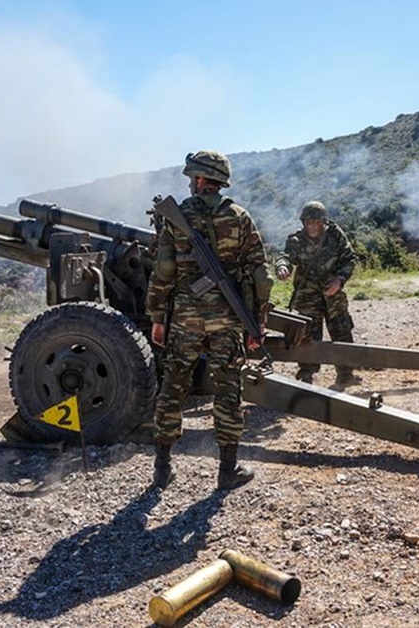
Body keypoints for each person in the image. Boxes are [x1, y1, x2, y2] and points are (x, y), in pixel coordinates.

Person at [146, 150, 273, 491]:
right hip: (227, 318)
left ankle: (162, 469)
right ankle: (227, 470)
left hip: (186, 317)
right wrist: (257, 320)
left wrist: (158, 316)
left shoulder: (177, 217)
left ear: (200, 179)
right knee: (228, 388)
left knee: (173, 385)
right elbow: (261, 274)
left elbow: (164, 270)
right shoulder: (239, 217)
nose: (190, 183)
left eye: (192, 178)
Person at [275, 201, 360, 387]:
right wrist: (282, 266)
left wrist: (339, 279)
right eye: (308, 222)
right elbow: (285, 256)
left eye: (316, 222)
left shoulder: (335, 235)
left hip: (333, 295)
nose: (312, 226)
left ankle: (345, 374)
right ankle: (307, 376)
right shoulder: (296, 240)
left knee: (342, 332)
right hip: (308, 297)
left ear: (323, 221)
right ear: (303, 222)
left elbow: (349, 259)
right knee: (307, 338)